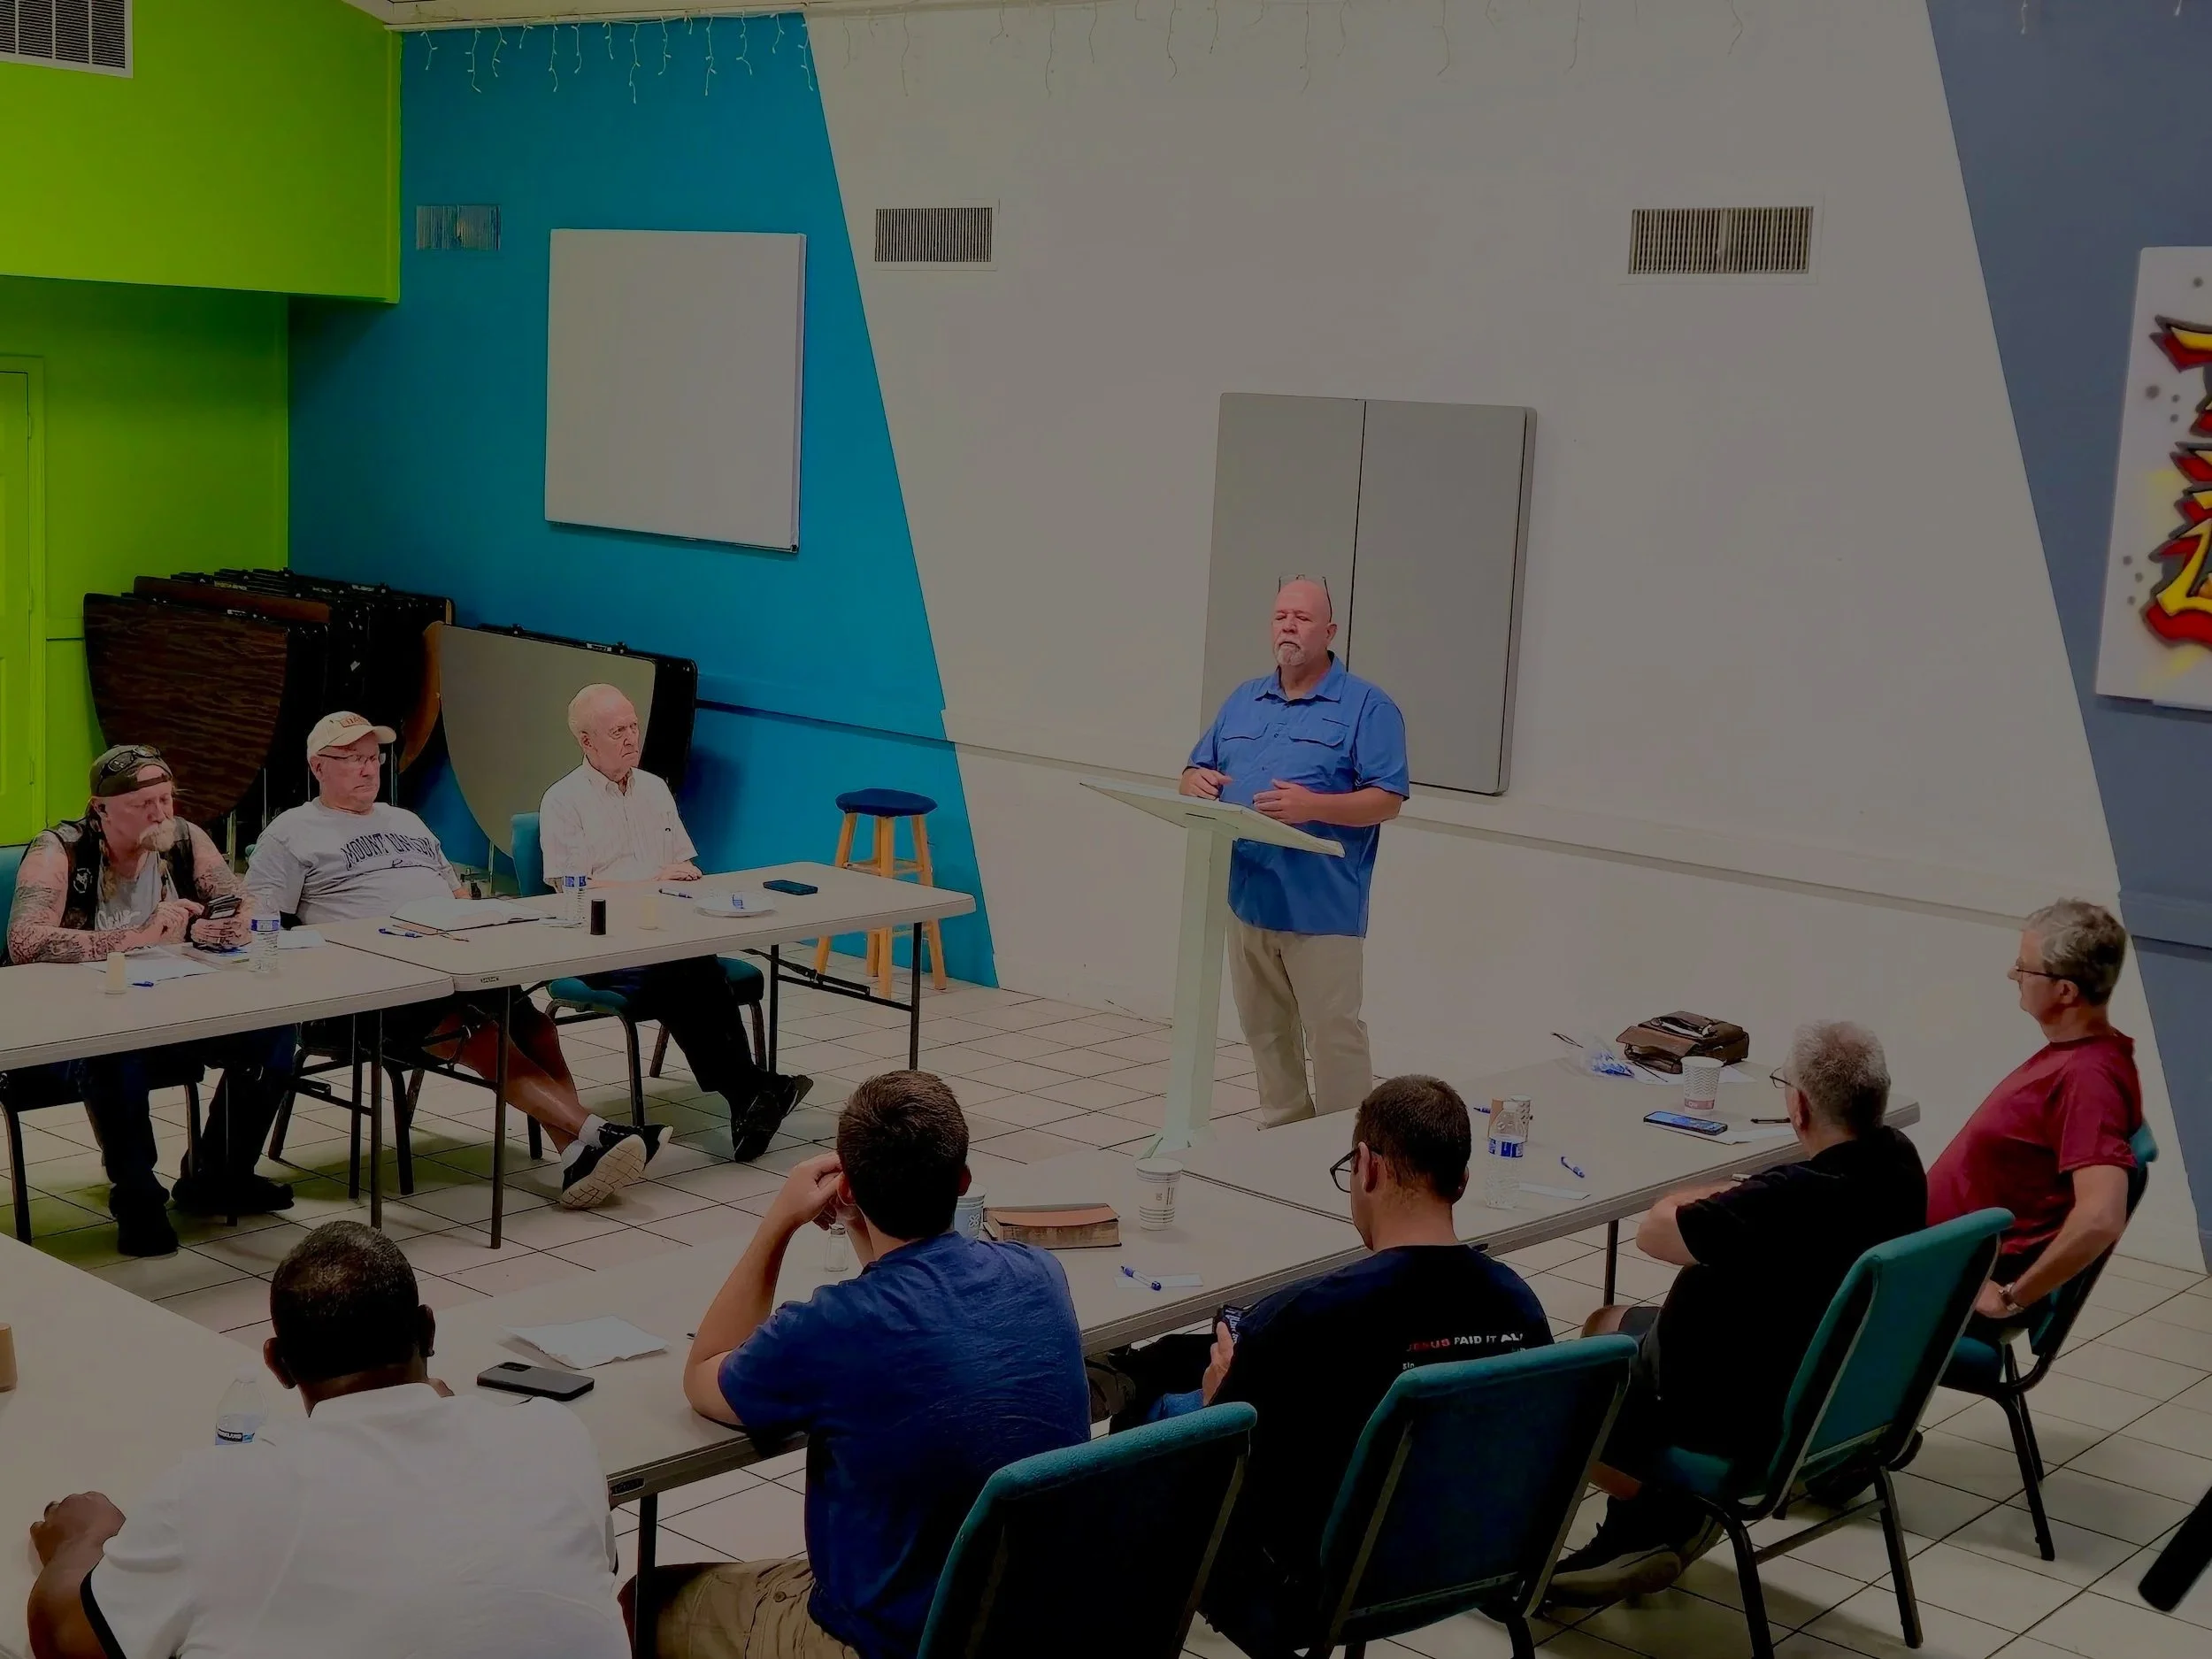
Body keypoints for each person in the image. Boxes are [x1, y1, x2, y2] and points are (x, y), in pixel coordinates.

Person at [1087, 1075, 1551, 1654]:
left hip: (1304, 1590)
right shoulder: (1520, 1304)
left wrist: (1211, 1401)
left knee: (1148, 1427)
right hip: (1473, 1560)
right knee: (1209, 1355)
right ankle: (1135, 1371)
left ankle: (1119, 1384)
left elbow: (1222, 1452)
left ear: (1368, 1167)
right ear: (1460, 1180)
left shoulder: (1313, 1312)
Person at [27, 1221, 627, 1659]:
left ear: (278, 1364)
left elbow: (66, 1639)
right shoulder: (554, 1435)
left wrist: (83, 1536)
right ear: (427, 1329)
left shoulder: (215, 1492)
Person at [646, 1071, 1089, 1659]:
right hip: (1022, 1622)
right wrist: (863, 1224)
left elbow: (704, 1372)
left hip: (888, 1641)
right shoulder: (1040, 1274)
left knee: (644, 1602)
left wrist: (779, 1221)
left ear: (847, 1191)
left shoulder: (835, 1326)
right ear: (961, 1182)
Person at [1546, 1020, 1927, 1604]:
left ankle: (1654, 1517)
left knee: (1567, 1384)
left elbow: (1657, 1232)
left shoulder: (1789, 1200)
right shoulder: (1898, 1163)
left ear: (1797, 1105)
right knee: (1605, 1322)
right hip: (1826, 1384)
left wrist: (1694, 1196)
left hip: (1738, 1411)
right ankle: (1655, 1523)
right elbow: (1773, 1207)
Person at [247, 711, 657, 1209]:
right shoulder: (291, 834)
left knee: (538, 1030)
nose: (367, 769)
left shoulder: (406, 820)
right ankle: (599, 1133)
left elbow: (458, 897)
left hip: (454, 959)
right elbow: (263, 926)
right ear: (318, 766)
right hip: (374, 989)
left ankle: (575, 1156)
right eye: (352, 759)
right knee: (485, 1037)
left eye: (373, 759)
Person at [4, 744, 296, 1256]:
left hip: (170, 1004)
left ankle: (219, 1172)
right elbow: (24, 943)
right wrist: (139, 937)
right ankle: (137, 1194)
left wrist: (224, 926)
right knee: (117, 1049)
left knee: (273, 1030)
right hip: (72, 1025)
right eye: (146, 805)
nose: (162, 813)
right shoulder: (60, 850)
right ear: (101, 808)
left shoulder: (183, 839)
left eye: (168, 799)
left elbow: (237, 899)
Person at [540, 683, 811, 1161]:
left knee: (690, 961)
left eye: (633, 726)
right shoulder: (562, 801)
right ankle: (753, 1089)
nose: (631, 738)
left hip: (669, 933)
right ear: (586, 741)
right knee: (686, 969)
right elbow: (573, 890)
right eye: (617, 731)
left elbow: (683, 865)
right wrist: (651, 880)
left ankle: (749, 1095)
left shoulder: (654, 788)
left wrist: (686, 885)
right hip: (602, 945)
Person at [1181, 577, 1409, 1126]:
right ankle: (1283, 1133)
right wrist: (1190, 779)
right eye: (1281, 615)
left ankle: (1348, 1152)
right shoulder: (1243, 700)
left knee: (1333, 1035)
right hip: (1249, 899)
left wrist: (1315, 805)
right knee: (1264, 1030)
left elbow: (1387, 799)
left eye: (1302, 618)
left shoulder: (1367, 707)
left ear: (1329, 631)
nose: (1288, 625)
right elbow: (1196, 766)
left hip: (1321, 910)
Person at [1928, 899, 2142, 1332]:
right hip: (1934, 1262)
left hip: (1944, 1285)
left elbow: (2102, 1216)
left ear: (2065, 991)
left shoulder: (2088, 1079)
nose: (2013, 976)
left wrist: (2011, 1297)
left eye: (2025, 968)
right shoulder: (2078, 1056)